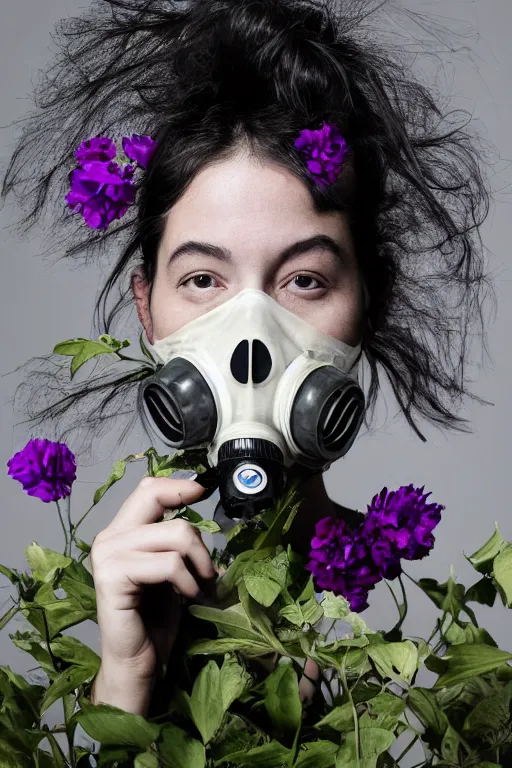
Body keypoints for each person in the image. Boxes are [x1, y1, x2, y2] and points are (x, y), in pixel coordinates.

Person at [1, 0, 492, 737]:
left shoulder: (435, 636)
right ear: (148, 307)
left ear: (371, 303)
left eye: (305, 281)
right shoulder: (95, 603)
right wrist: (125, 685)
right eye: (203, 280)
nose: (252, 337)